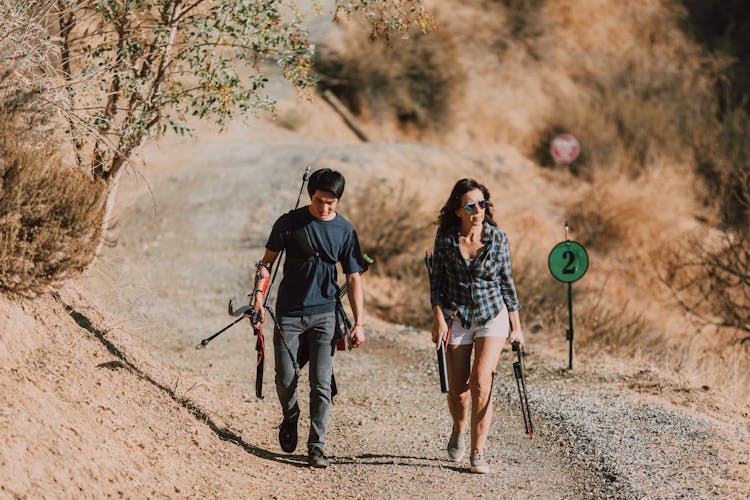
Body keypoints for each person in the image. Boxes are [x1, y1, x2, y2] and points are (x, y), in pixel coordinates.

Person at [251, 168, 366, 469]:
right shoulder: (288, 223)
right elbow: (265, 265)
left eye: (331, 202)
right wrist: (258, 299)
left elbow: (354, 278)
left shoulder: (345, 231)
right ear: (309, 194)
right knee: (285, 379)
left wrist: (359, 323)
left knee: (321, 383)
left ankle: (316, 447)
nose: (325, 207)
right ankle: (290, 416)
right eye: (319, 200)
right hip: (288, 314)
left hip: (325, 315)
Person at [429, 178, 525, 474]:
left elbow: (507, 284)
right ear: (458, 210)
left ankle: (478, 451)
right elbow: (436, 283)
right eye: (471, 205)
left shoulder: (497, 239)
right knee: (458, 390)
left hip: (491, 315)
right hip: (457, 316)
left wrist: (516, 328)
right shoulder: (445, 239)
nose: (478, 210)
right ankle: (459, 429)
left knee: (481, 381)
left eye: (482, 204)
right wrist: (438, 319)